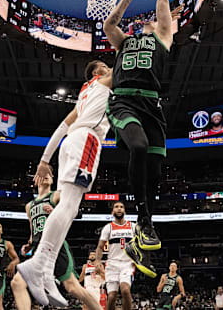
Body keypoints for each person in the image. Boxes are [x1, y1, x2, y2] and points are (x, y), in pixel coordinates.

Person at [16, 60, 113, 306]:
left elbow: (62, 126)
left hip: (70, 143)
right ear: (96, 72)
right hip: (87, 141)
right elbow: (126, 61)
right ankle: (38, 265)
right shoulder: (102, 83)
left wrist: (44, 159)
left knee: (67, 209)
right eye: (104, 65)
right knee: (69, 206)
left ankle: (46, 270)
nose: (109, 67)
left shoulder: (84, 96)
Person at [102, 0, 176, 278]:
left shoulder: (162, 37)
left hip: (152, 105)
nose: (148, 20)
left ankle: (139, 239)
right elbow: (109, 24)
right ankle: (144, 221)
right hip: (124, 100)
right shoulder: (124, 43)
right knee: (139, 146)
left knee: (156, 174)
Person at [10, 171, 103, 310]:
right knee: (17, 283)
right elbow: (33, 231)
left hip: (55, 245)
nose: (47, 175)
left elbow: (76, 212)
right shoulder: (29, 206)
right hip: (38, 248)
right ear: (36, 179)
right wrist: (28, 245)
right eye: (43, 173)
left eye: (50, 174)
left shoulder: (56, 195)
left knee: (72, 287)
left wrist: (55, 211)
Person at [95, 202, 136, 310]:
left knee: (125, 290)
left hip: (128, 264)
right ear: (113, 212)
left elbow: (141, 245)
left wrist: (141, 260)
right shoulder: (108, 228)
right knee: (112, 296)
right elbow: (100, 247)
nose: (119, 209)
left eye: (121, 207)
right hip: (112, 265)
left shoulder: (133, 226)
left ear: (124, 211)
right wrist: (98, 261)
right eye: (116, 207)